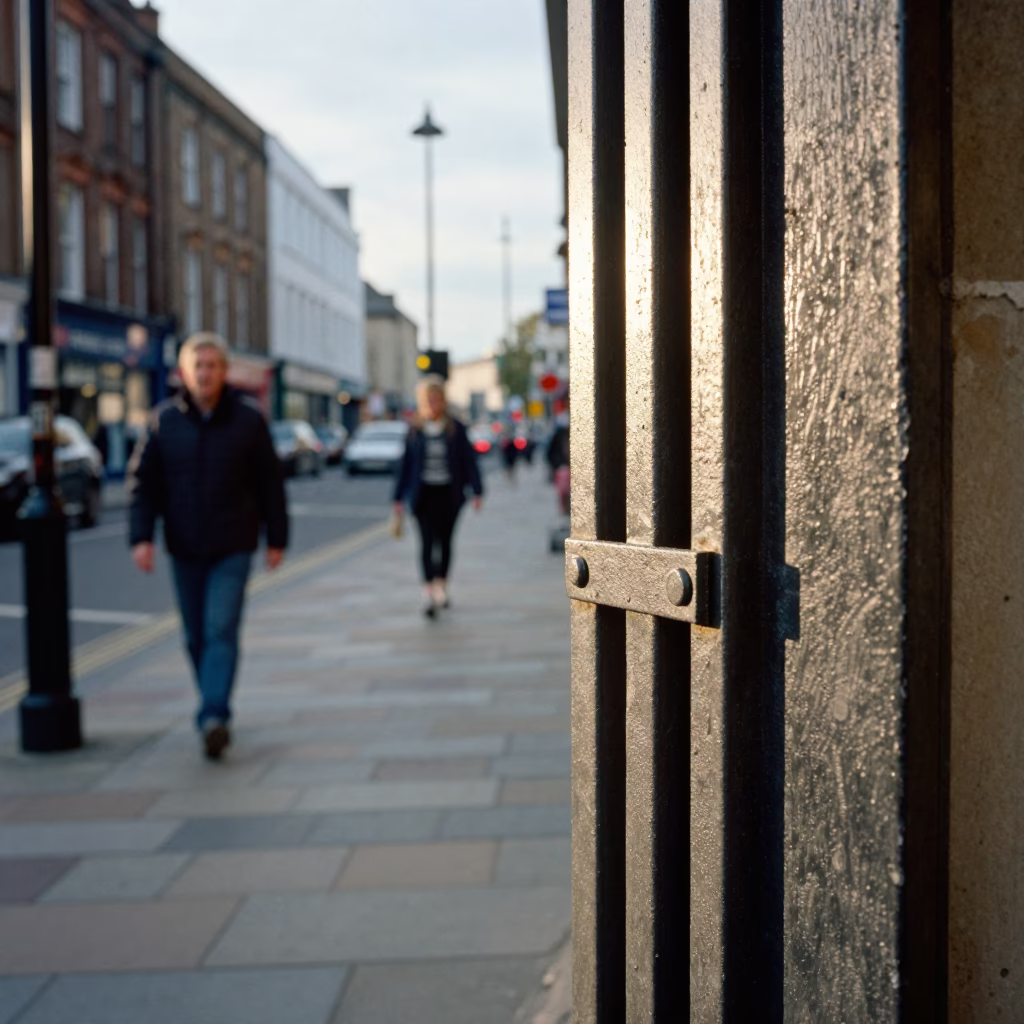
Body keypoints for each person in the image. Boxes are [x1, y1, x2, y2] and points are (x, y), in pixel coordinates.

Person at [126, 333, 288, 760]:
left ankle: (214, 714)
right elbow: (144, 485)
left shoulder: (249, 421)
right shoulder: (164, 422)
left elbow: (270, 484)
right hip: (184, 546)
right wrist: (141, 537)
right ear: (184, 373)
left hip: (233, 544)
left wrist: (277, 538)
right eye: (197, 366)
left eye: (212, 365)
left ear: (225, 371)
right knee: (195, 637)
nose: (205, 373)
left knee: (220, 629)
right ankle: (212, 705)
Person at [393, 375, 483, 619]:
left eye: (436, 398)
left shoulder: (456, 428)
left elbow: (468, 461)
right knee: (425, 543)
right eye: (428, 399)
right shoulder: (414, 429)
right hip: (422, 496)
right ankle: (428, 590)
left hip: (449, 494)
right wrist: (397, 498)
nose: (432, 403)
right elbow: (405, 466)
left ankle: (441, 584)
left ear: (443, 400)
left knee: (444, 542)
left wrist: (477, 491)